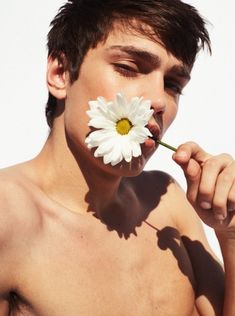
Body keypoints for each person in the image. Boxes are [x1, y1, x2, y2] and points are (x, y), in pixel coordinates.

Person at [0, 0, 235, 315]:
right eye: (128, 68)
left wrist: (231, 233)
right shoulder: (9, 218)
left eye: (173, 85)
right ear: (60, 74)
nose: (157, 100)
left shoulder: (167, 202)